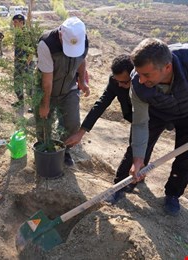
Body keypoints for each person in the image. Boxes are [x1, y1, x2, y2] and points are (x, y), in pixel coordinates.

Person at [65, 55, 167, 197]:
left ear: (135, 75)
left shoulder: (148, 82)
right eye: (117, 81)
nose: (120, 85)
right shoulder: (115, 81)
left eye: (124, 82)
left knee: (137, 147)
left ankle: (120, 187)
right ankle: (137, 176)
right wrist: (81, 131)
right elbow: (101, 103)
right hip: (135, 116)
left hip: (154, 117)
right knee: (142, 146)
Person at [129, 38, 188, 217]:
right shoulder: (139, 84)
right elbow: (139, 123)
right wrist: (138, 158)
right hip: (156, 111)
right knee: (135, 153)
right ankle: (123, 186)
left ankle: (172, 194)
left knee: (185, 159)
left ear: (167, 68)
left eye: (146, 75)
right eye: (139, 73)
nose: (141, 79)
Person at [35, 16, 89, 166]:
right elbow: (47, 80)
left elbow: (82, 59)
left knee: (72, 124)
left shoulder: (83, 40)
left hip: (69, 89)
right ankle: (44, 149)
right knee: (44, 123)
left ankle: (65, 151)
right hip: (46, 89)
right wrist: (45, 104)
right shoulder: (46, 44)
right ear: (60, 34)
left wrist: (82, 81)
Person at [12, 14, 35, 112]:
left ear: (22, 22)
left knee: (29, 84)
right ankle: (21, 101)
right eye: (14, 22)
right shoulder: (18, 34)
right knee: (17, 82)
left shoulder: (27, 34)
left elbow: (32, 49)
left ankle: (34, 106)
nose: (14, 24)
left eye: (16, 22)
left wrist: (28, 63)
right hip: (18, 63)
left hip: (27, 64)